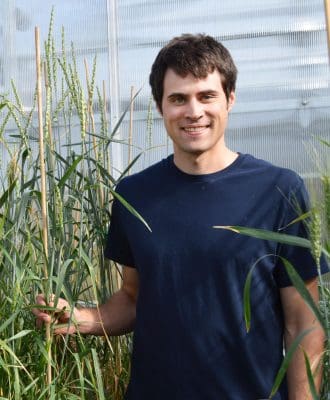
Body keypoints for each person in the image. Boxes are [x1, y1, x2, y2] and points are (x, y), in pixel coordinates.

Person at [33, 34, 327, 399]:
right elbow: (133, 298)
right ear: (160, 106)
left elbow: (304, 323)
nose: (193, 111)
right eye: (178, 99)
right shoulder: (134, 195)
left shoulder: (280, 190)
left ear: (230, 98)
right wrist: (82, 319)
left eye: (207, 96)